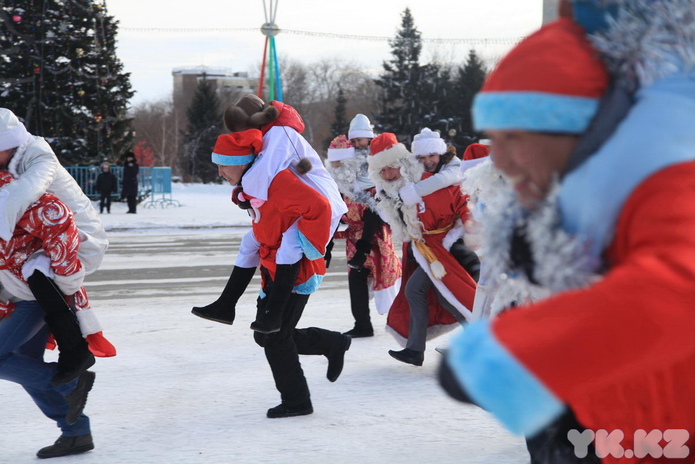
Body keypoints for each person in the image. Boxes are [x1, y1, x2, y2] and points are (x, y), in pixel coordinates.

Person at [441, 6, 695, 462]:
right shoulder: (581, 203)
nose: (496, 159)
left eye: (514, 136)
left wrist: (518, 350)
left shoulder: (670, 184)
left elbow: (673, 292)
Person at [193, 95, 351, 418]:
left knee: (275, 338)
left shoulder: (277, 150)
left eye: (223, 165)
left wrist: (310, 243)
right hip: (282, 255)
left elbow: (317, 207)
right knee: (269, 335)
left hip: (303, 258)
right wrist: (246, 195)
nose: (220, 173)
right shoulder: (262, 165)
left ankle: (297, 401)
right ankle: (330, 343)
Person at [0, 169, 115, 459]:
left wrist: (64, 274)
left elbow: (56, 214)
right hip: (17, 293)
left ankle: (73, 382)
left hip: (33, 292)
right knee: (27, 364)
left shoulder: (8, 190)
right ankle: (75, 432)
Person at [0, 109, 109, 386]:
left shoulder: (39, 154)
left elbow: (25, 193)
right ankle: (73, 421)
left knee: (39, 272)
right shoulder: (11, 160)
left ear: (8, 144)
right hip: (47, 235)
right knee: (26, 354)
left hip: (80, 238)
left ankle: (75, 353)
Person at [367, 133, 477, 366]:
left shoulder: (424, 183)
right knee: (442, 296)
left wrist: (470, 230)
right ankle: (421, 349)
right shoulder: (389, 192)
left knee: (427, 292)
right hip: (424, 249)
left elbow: (459, 199)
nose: (388, 174)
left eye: (391, 168)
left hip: (444, 249)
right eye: (382, 171)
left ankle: (419, 349)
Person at [325, 134, 401, 338]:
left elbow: (374, 213)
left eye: (339, 162)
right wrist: (327, 246)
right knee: (355, 280)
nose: (336, 167)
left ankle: (402, 322)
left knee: (387, 280)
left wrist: (364, 246)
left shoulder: (367, 184)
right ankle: (362, 325)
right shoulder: (340, 188)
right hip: (354, 239)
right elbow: (335, 216)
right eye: (333, 163)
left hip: (375, 237)